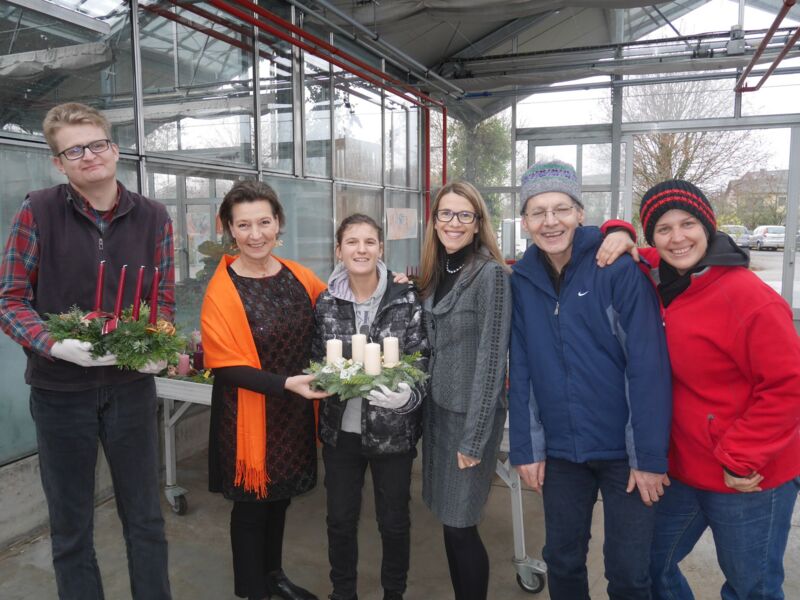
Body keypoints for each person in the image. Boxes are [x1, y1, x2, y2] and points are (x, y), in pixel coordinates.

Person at [0, 102, 173, 599]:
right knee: (71, 526)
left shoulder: (153, 217)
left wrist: (158, 345)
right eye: (73, 150)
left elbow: (162, 297)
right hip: (60, 394)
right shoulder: (37, 211)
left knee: (145, 518)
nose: (89, 156)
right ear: (58, 163)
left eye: (97, 144)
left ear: (114, 149)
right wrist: (54, 344)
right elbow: (10, 300)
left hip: (131, 390)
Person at [598, 179, 800, 600]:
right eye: (664, 228)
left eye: (687, 223)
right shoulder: (658, 276)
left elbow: (788, 386)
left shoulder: (749, 299)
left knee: (751, 588)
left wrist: (741, 457)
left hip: (747, 474)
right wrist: (618, 230)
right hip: (684, 467)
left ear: (708, 226)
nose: (677, 238)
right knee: (648, 565)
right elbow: (622, 247)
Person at [508, 160, 673, 600]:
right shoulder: (523, 280)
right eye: (538, 212)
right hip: (562, 452)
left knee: (629, 572)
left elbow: (647, 367)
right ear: (525, 222)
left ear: (580, 213)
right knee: (562, 561)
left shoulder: (615, 267)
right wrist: (527, 447)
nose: (550, 221)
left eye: (561, 209)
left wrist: (648, 456)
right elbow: (521, 367)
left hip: (625, 453)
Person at [200, 180, 330, 600]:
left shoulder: (298, 276)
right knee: (252, 507)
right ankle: (253, 590)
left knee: (280, 498)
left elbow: (338, 307)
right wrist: (285, 384)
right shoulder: (222, 290)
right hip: (247, 416)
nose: (255, 234)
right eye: (244, 225)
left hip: (293, 412)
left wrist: (385, 279)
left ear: (278, 223)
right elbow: (225, 366)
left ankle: (274, 576)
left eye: (264, 222)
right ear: (229, 229)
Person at [312, 214, 429, 600]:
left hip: (392, 434)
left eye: (369, 242)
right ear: (338, 250)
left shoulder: (404, 299)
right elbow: (315, 357)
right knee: (339, 520)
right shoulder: (326, 302)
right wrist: (321, 379)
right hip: (340, 433)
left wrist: (407, 397)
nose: (360, 249)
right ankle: (342, 592)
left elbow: (422, 359)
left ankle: (394, 592)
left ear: (381, 248)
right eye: (352, 242)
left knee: (393, 522)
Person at [417, 181, 511, 600]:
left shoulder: (491, 275)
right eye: (445, 214)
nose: (453, 223)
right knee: (449, 520)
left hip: (471, 419)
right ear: (435, 221)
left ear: (477, 224)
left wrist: (474, 439)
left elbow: (491, 362)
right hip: (438, 414)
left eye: (464, 215)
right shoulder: (437, 271)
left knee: (461, 525)